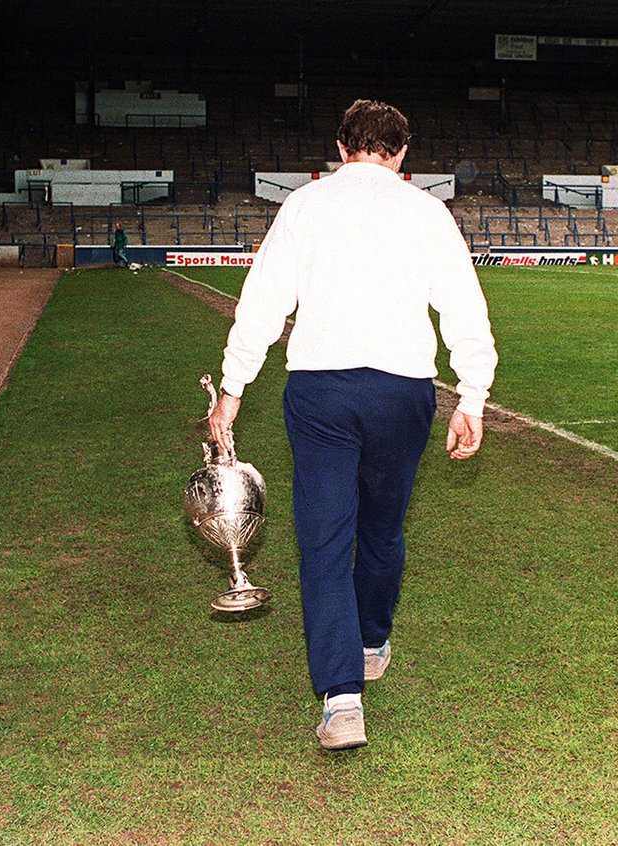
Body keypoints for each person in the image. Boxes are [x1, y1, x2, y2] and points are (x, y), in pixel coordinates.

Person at [208, 99, 497, 750]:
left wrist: (231, 391)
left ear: (342, 149)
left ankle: (343, 701)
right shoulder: (426, 210)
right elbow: (464, 306)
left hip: (322, 391)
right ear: (400, 154)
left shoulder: (305, 205)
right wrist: (473, 395)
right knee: (383, 528)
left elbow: (261, 304)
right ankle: (369, 642)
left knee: (325, 539)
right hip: (402, 391)